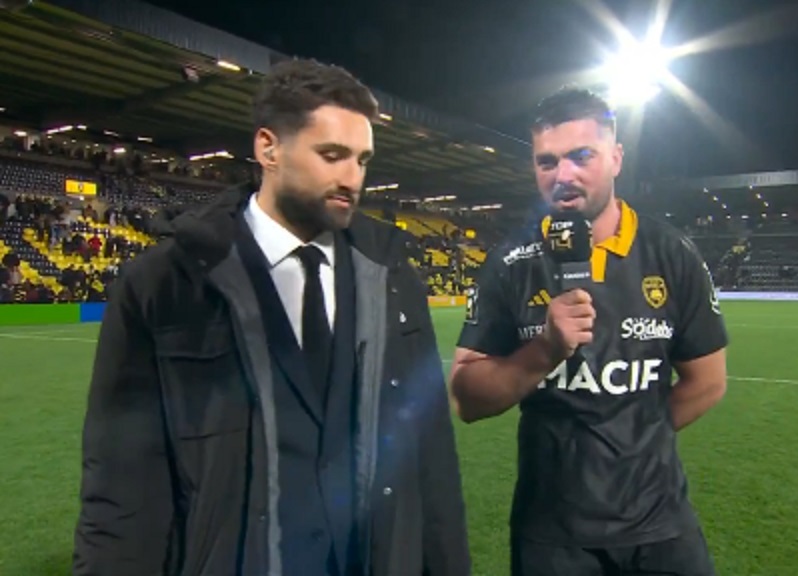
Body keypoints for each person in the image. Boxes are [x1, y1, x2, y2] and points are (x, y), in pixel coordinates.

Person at [73, 59, 471, 576]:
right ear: (268, 148)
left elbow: (432, 458)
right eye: (332, 155)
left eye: (362, 160)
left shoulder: (393, 276)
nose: (352, 178)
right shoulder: (164, 283)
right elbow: (121, 484)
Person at [450, 87, 729, 576]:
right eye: (547, 161)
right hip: (552, 536)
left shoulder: (672, 253)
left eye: (582, 156)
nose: (563, 175)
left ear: (616, 158)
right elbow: (466, 398)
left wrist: (632, 441)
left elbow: (708, 381)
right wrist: (544, 350)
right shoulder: (510, 263)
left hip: (661, 526)